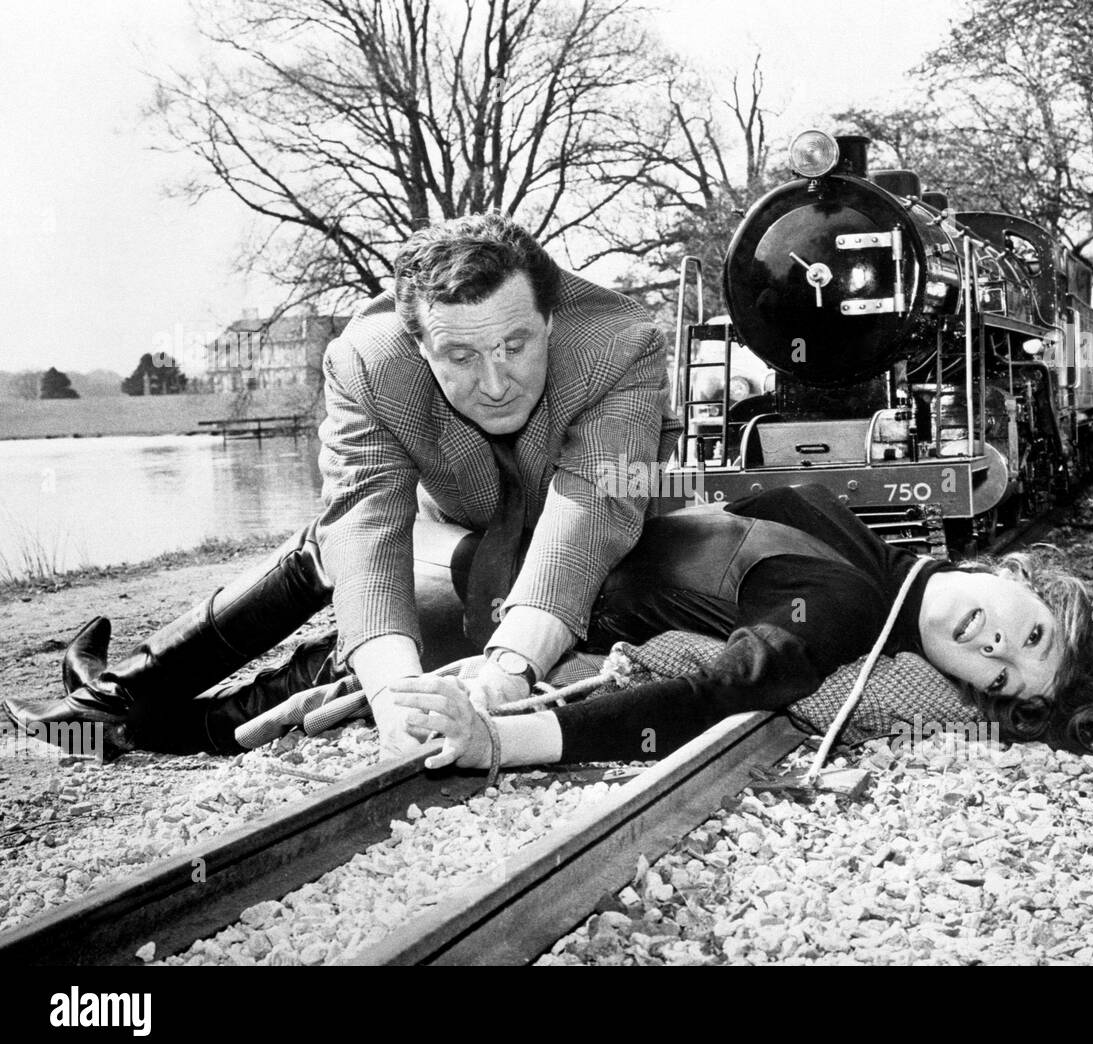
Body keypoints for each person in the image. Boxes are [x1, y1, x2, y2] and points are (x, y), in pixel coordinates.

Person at [4, 214, 680, 756]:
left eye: (515, 345)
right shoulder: (369, 358)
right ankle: (110, 706)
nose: (497, 381)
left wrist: (506, 672)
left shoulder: (620, 344)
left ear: (551, 319)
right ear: (419, 345)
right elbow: (365, 525)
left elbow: (592, 510)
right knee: (337, 552)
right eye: (461, 356)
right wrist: (393, 695)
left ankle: (140, 724)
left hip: (581, 551)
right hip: (450, 533)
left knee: (366, 654)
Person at [388, 485, 1093, 791]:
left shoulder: (848, 606)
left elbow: (710, 699)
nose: (994, 652)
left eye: (1002, 682)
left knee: (309, 622)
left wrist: (500, 742)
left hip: (472, 597)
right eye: (1029, 633)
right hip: (492, 562)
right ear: (1020, 577)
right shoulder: (867, 561)